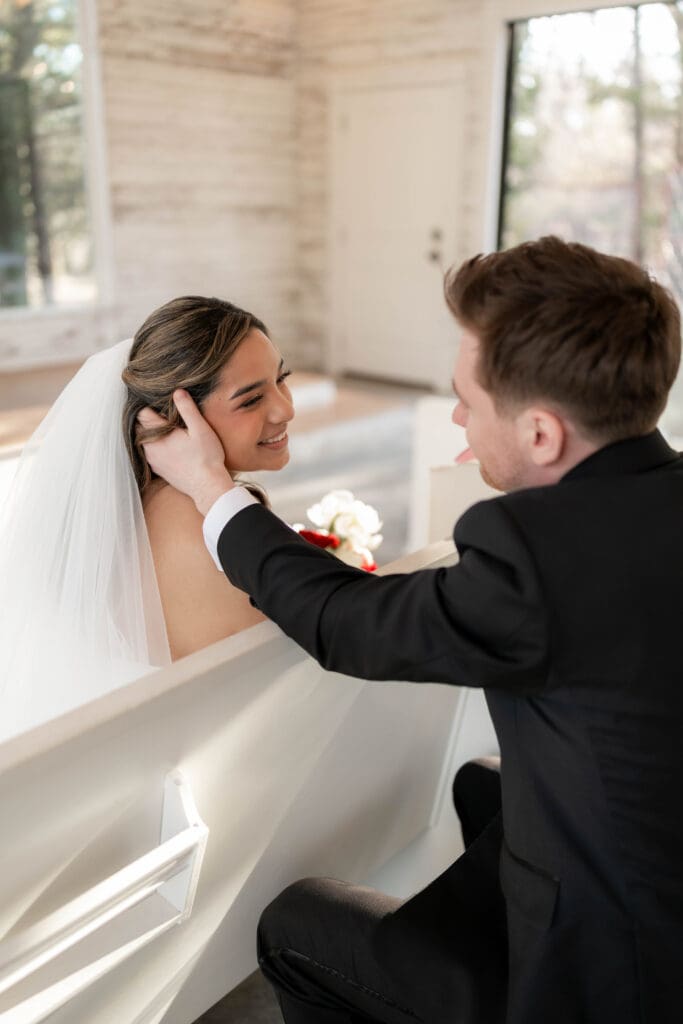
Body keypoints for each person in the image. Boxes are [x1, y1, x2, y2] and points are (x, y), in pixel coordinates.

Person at [139, 236, 683, 1024]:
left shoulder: (534, 560)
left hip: (607, 972)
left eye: (468, 398)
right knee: (476, 784)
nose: (458, 414)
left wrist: (212, 491)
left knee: (296, 924)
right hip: (649, 863)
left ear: (540, 434)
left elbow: (343, 622)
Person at [0, 295, 294, 738]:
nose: (285, 408)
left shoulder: (130, 512)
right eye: (251, 400)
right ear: (176, 419)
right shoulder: (198, 530)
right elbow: (272, 699)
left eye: (281, 379)